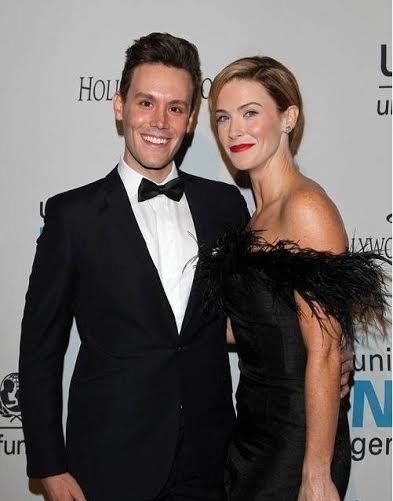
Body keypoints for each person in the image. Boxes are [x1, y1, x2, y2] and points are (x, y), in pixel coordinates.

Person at [19, 35, 353, 501]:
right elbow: (40, 350)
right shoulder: (71, 216)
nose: (160, 121)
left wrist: (328, 352)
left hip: (214, 458)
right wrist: (49, 466)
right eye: (145, 103)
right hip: (110, 460)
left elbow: (261, 316)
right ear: (119, 106)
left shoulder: (225, 208)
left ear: (191, 118)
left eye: (176, 107)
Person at [203, 56, 389, 501]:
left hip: (297, 439)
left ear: (288, 117)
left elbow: (325, 349)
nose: (234, 131)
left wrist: (317, 474)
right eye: (223, 118)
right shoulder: (255, 218)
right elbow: (256, 327)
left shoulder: (306, 207)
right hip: (252, 429)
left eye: (251, 113)